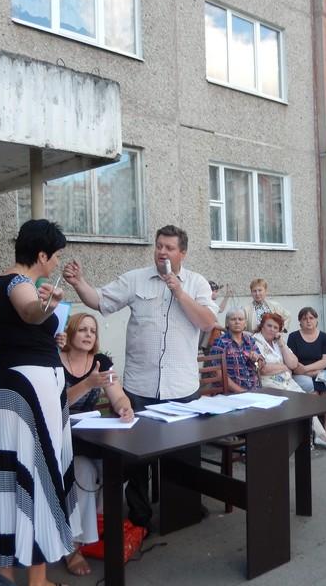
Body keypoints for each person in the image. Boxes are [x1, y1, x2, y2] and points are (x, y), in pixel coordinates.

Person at [62, 225, 218, 529]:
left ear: (182, 253)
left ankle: (182, 514)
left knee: (182, 456)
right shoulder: (136, 279)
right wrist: (79, 282)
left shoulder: (196, 283)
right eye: (159, 246)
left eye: (169, 248)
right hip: (140, 387)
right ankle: (139, 520)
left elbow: (208, 322)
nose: (162, 252)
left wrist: (179, 291)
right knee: (136, 460)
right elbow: (100, 301)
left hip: (181, 388)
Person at [0, 219, 79, 586]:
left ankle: (3, 575)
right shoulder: (20, 282)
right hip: (30, 391)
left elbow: (24, 325)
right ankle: (37, 581)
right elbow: (30, 312)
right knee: (39, 472)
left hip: (2, 385)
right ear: (42, 255)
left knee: (4, 477)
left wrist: (51, 333)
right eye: (56, 256)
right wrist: (50, 304)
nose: (56, 262)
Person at [59, 313, 134, 577]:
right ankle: (72, 547)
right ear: (70, 332)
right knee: (84, 473)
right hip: (60, 435)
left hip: (90, 434)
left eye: (92, 330)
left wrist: (124, 408)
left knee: (116, 467)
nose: (88, 335)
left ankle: (97, 529)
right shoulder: (54, 360)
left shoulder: (101, 362)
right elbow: (55, 403)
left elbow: (118, 395)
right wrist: (87, 384)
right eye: (82, 329)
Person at [254, 312, 326, 450]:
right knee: (293, 403)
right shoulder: (255, 342)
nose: (272, 330)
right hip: (268, 383)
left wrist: (282, 344)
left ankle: (319, 435)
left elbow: (293, 364)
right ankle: (306, 438)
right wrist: (284, 367)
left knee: (305, 401)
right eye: (269, 326)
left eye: (276, 328)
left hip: (286, 381)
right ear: (262, 326)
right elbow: (263, 369)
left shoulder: (277, 342)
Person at [288, 307, 326, 443]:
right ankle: (315, 430)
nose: (308, 321)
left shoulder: (324, 337)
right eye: (304, 319)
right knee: (311, 391)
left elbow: (325, 360)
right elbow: (293, 361)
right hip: (300, 373)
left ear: (316, 320)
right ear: (300, 322)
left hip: (319, 371)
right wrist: (305, 371)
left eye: (311, 318)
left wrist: (307, 369)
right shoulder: (293, 337)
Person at [208, 307, 264, 392]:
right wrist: (241, 391)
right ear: (227, 323)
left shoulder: (250, 340)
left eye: (240, 319)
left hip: (253, 391)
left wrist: (257, 360)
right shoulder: (220, 342)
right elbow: (216, 372)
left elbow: (261, 365)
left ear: (245, 324)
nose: (237, 322)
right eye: (233, 319)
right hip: (230, 393)